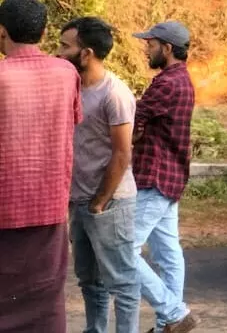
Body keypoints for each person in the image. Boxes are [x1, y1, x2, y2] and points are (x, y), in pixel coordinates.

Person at [0, 0, 82, 333]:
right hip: (49, 203)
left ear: (2, 32)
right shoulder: (66, 72)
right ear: (45, 31)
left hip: (4, 206)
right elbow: (75, 119)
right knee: (46, 298)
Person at [58, 17, 140, 333]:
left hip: (111, 203)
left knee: (121, 279)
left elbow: (122, 154)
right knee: (89, 280)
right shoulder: (73, 88)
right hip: (80, 201)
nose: (59, 52)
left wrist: (100, 202)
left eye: (66, 46)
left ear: (86, 53)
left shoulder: (114, 93)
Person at [131, 21, 197, 333]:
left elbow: (133, 122)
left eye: (151, 44)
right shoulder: (182, 80)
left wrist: (135, 130)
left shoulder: (166, 84)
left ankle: (172, 313)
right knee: (168, 253)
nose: (148, 49)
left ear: (167, 48)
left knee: (122, 251)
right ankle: (166, 325)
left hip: (154, 176)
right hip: (170, 176)